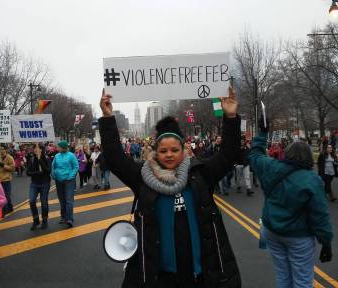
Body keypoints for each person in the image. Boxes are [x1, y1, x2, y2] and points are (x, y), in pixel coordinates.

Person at [99, 88, 241, 287]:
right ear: (156, 152)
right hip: (159, 277)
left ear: (183, 150)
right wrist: (107, 118)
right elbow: (115, 159)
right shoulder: (142, 177)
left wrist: (231, 116)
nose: (169, 154)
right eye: (163, 150)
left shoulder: (200, 174)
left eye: (175, 149)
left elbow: (228, 154)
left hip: (200, 274)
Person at [248, 118, 333, 288]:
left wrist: (263, 132)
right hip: (298, 236)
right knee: (302, 280)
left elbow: (255, 154)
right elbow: (320, 215)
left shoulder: (270, 167)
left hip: (272, 231)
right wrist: (326, 242)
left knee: (283, 275)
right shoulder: (311, 180)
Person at [51, 140, 79, 228]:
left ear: (63, 147)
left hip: (68, 181)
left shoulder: (71, 155)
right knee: (62, 200)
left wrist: (70, 176)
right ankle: (63, 216)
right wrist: (53, 174)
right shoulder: (56, 156)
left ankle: (70, 219)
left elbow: (76, 166)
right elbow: (53, 166)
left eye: (58, 147)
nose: (57, 148)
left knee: (69, 200)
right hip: (58, 181)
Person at [26, 143, 52, 230]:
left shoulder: (47, 158)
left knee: (44, 203)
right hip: (34, 184)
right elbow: (28, 172)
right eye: (35, 149)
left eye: (38, 149)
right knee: (32, 201)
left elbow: (49, 171)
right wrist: (37, 173)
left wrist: (42, 163)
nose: (36, 150)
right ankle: (36, 220)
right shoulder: (32, 159)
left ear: (42, 150)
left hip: (45, 183)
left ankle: (44, 220)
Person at [0, 144, 15, 215]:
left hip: (6, 180)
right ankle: (5, 209)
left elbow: (13, 168)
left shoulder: (10, 158)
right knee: (0, 196)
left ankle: (9, 208)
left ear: (5, 150)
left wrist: (4, 166)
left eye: (2, 149)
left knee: (7, 195)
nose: (1, 150)